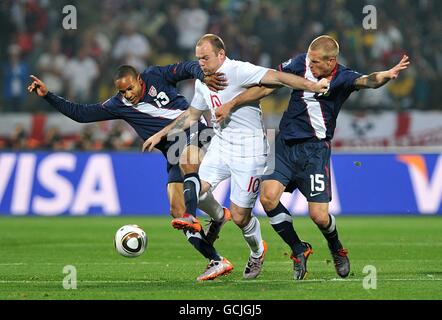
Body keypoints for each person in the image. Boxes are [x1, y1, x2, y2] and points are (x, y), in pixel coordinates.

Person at [217, 35, 410, 280]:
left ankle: (336, 247)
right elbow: (268, 84)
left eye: (317, 62)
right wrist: (232, 103)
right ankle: (299, 249)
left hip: (314, 151)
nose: (311, 65)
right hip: (285, 145)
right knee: (267, 199)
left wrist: (386, 75)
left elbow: (369, 81)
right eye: (310, 60)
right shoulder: (299, 64)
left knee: (319, 216)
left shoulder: (343, 77)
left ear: (331, 61)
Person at [143, 34, 329, 280]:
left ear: (221, 55)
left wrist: (313, 86)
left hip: (250, 151)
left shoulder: (239, 70)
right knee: (193, 191)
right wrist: (161, 134)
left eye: (205, 58)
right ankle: (218, 216)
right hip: (220, 146)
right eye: (198, 58)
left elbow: (278, 77)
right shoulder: (202, 81)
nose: (201, 63)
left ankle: (257, 250)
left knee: (241, 217)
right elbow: (191, 115)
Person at [27, 61, 234, 281]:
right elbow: (80, 114)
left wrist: (203, 76)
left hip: (196, 131)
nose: (127, 94)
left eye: (130, 88)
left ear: (139, 81)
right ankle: (217, 259)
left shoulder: (157, 75)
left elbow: (188, 67)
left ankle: (193, 215)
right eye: (122, 91)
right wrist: (48, 95)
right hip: (173, 152)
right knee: (176, 210)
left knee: (188, 178)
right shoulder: (118, 104)